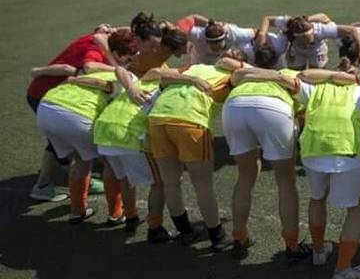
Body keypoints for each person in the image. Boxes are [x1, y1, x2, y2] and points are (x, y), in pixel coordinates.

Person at [35, 30, 139, 223]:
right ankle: (116, 213)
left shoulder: (91, 67)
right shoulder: (126, 77)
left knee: (81, 160)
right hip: (76, 115)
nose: (132, 60)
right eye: (131, 56)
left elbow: (81, 75)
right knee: (110, 162)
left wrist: (75, 79)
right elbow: (107, 89)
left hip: (47, 108)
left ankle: (77, 211)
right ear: (117, 54)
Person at [147, 55, 244, 250]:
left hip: (157, 118)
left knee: (170, 182)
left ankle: (185, 231)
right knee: (202, 185)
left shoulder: (193, 68)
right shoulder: (235, 75)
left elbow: (163, 79)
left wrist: (190, 79)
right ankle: (217, 237)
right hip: (190, 119)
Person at [293, 69, 360, 279]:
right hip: (347, 151)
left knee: (316, 199)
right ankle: (342, 268)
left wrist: (329, 75)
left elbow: (299, 77)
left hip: (312, 151)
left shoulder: (314, 88)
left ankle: (318, 251)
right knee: (355, 209)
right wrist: (354, 76)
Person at [222, 65, 309, 263]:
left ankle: (239, 237)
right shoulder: (292, 74)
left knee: (245, 176)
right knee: (286, 181)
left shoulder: (244, 73)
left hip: (234, 106)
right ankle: (292, 245)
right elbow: (303, 111)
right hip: (273, 107)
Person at [93, 66, 178, 241]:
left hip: (104, 131)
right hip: (129, 135)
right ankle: (155, 228)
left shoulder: (143, 80)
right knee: (160, 182)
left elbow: (122, 69)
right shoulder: (168, 91)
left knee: (125, 177)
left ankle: (130, 217)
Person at [279, 14, 360, 70]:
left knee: (317, 74)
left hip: (317, 49)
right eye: (303, 39)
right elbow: (269, 19)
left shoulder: (321, 30)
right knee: (294, 73)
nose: (307, 42)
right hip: (297, 50)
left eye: (308, 38)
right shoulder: (288, 28)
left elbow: (353, 30)